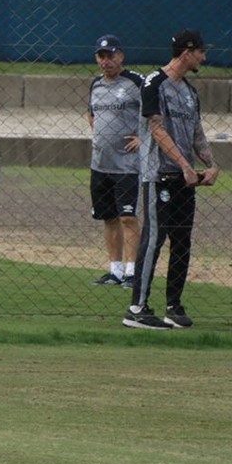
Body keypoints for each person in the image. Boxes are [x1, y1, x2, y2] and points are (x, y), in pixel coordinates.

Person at [124, 29, 220, 330]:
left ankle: (173, 306)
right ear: (187, 52)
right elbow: (156, 129)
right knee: (154, 238)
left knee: (182, 242)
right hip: (159, 175)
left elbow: (196, 133)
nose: (204, 57)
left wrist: (211, 164)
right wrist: (184, 166)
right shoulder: (155, 83)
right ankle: (137, 308)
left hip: (185, 179)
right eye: (201, 52)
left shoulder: (190, 93)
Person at [87, 34, 143, 289]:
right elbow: (91, 114)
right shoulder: (95, 85)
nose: (106, 61)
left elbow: (156, 113)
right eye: (101, 56)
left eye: (110, 55)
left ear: (121, 56)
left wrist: (143, 138)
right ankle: (115, 271)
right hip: (100, 164)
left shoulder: (136, 83)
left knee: (128, 218)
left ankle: (133, 272)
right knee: (109, 218)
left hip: (127, 165)